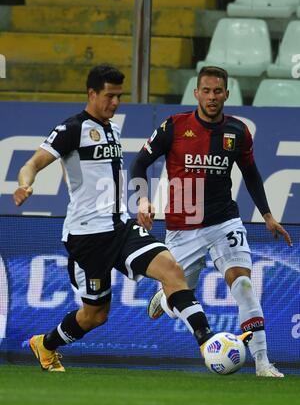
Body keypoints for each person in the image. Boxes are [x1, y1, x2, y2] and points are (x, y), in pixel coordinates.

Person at [13, 63, 237, 372]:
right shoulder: (72, 129)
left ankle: (207, 341)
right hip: (87, 237)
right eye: (110, 96)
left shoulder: (112, 128)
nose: (116, 103)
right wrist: (25, 184)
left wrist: (140, 202)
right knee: (95, 316)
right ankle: (46, 344)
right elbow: (33, 164)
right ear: (91, 94)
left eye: (119, 96)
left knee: (172, 270)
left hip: (121, 227)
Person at [131, 66, 292, 378]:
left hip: (224, 223)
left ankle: (262, 363)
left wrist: (268, 215)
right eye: (206, 90)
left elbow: (251, 174)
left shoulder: (238, 132)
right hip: (182, 228)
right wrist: (141, 199)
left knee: (244, 285)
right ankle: (165, 301)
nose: (212, 97)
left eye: (218, 91)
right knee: (178, 292)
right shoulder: (173, 126)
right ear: (196, 93)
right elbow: (139, 163)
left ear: (226, 94)